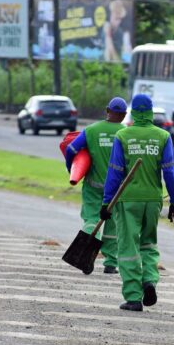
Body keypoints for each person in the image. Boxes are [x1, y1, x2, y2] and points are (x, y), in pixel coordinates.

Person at [101, 94, 174, 311]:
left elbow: (115, 172)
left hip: (127, 200)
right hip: (153, 200)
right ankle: (150, 280)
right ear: (151, 112)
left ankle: (134, 296)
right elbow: (170, 172)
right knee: (148, 243)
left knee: (127, 246)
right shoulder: (163, 136)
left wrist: (107, 202)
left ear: (133, 112)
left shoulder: (123, 135)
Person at [64, 97, 128, 274]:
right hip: (117, 190)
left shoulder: (91, 130)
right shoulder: (125, 133)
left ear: (107, 110)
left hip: (93, 186)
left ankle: (85, 257)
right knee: (113, 224)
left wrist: (72, 169)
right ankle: (110, 263)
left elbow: (71, 150)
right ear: (123, 115)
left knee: (92, 220)